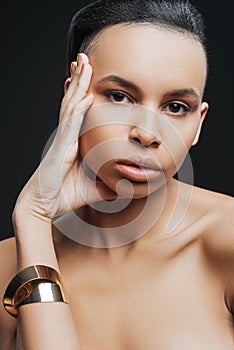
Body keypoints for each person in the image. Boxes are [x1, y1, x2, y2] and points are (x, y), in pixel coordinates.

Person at [0, 0, 233, 348]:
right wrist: (33, 218)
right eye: (120, 96)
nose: (148, 133)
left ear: (198, 124)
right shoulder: (9, 264)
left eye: (175, 107)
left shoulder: (226, 239)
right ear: (73, 99)